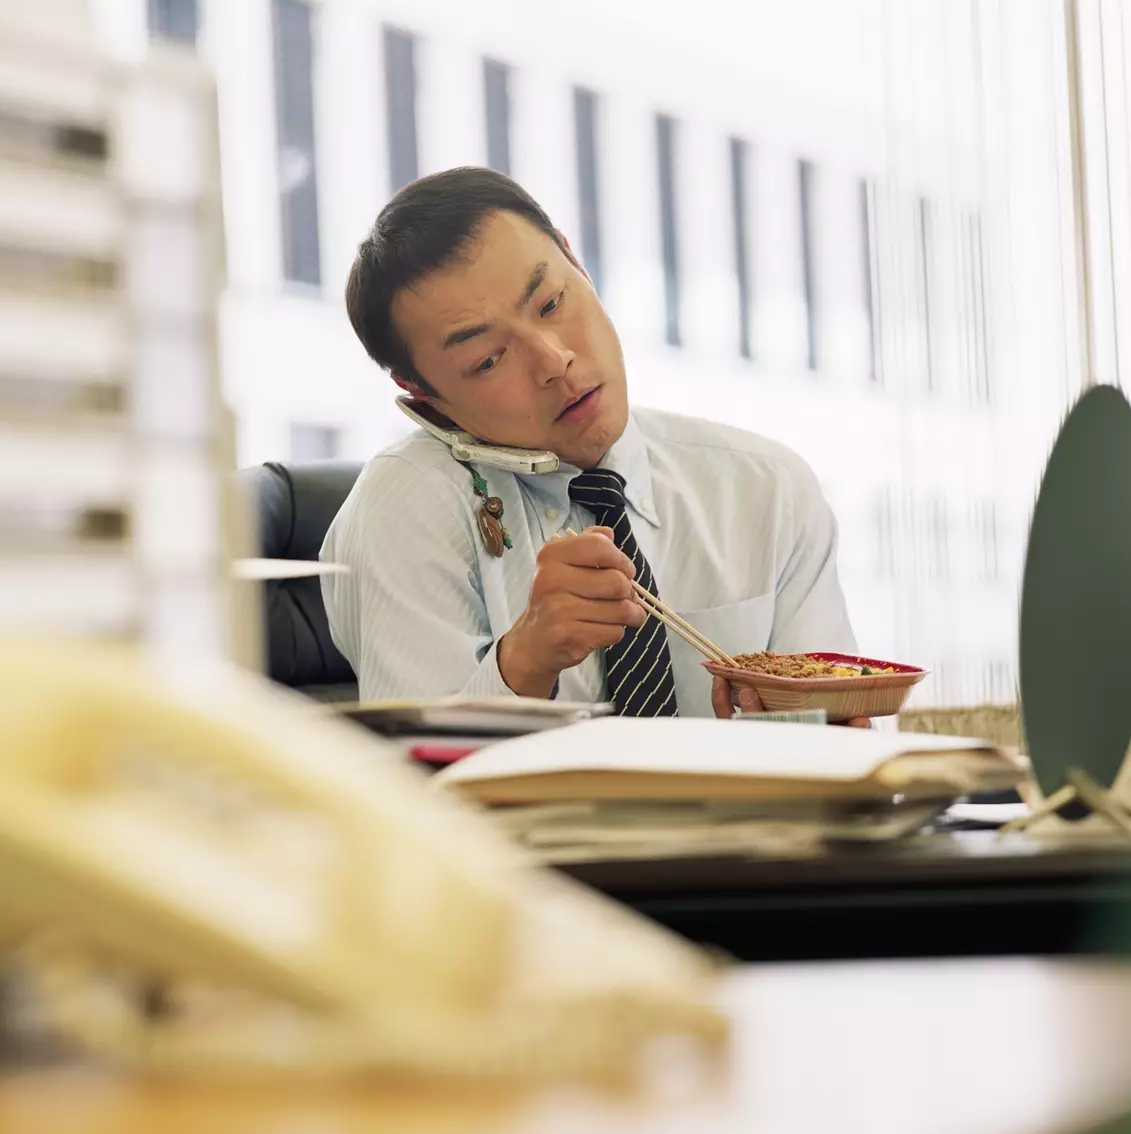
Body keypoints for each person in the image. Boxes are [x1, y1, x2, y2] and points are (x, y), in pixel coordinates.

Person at [321, 166, 863, 722]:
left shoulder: (769, 489)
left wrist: (816, 734)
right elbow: (410, 794)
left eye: (552, 303)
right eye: (487, 360)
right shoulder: (402, 507)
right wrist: (526, 658)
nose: (554, 362)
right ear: (424, 396)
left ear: (576, 262)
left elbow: (842, 742)